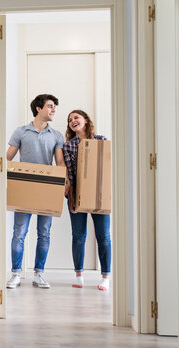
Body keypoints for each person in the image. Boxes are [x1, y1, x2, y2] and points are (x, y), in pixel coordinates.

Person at [6, 94, 67, 289]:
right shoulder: (21, 132)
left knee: (44, 233)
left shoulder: (56, 135)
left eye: (54, 107)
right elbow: (7, 159)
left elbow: (59, 164)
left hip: (47, 188)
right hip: (25, 186)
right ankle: (15, 274)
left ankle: (39, 274)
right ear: (38, 108)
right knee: (19, 233)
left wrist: (63, 185)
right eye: (50, 106)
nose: (53, 110)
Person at [63, 109, 111, 291]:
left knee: (104, 236)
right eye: (69, 120)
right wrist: (72, 198)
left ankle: (106, 276)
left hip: (100, 195)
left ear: (85, 120)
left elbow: (107, 169)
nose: (72, 121)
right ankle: (79, 275)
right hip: (78, 195)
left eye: (76, 117)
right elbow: (70, 175)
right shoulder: (68, 146)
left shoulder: (101, 140)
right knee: (78, 236)